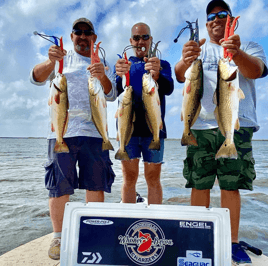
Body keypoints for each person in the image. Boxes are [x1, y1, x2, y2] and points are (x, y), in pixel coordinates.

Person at [174, 0, 267, 264]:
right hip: (201, 126)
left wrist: (235, 53)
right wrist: (184, 60)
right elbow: (180, 75)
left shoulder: (248, 46)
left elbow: (257, 70)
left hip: (237, 125)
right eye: (211, 16)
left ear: (231, 19)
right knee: (199, 184)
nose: (216, 19)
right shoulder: (199, 50)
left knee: (231, 186)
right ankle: (198, 240)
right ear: (206, 24)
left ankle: (232, 241)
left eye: (222, 14)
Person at [30, 18, 117, 260]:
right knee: (59, 186)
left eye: (87, 32)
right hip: (61, 133)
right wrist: (51, 61)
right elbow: (36, 78)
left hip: (94, 133)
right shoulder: (61, 59)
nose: (82, 35)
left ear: (94, 37)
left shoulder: (102, 62)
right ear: (71, 36)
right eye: (78, 32)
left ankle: (93, 232)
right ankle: (58, 236)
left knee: (95, 184)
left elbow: (111, 95)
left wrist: (102, 76)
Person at [115, 22, 174, 205]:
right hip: (128, 131)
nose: (141, 41)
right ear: (131, 41)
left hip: (153, 131)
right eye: (137, 37)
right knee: (129, 178)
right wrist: (118, 73)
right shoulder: (125, 64)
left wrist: (157, 75)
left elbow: (169, 88)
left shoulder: (162, 64)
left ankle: (155, 220)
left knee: (153, 179)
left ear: (151, 39)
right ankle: (127, 219)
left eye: (145, 37)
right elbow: (117, 90)